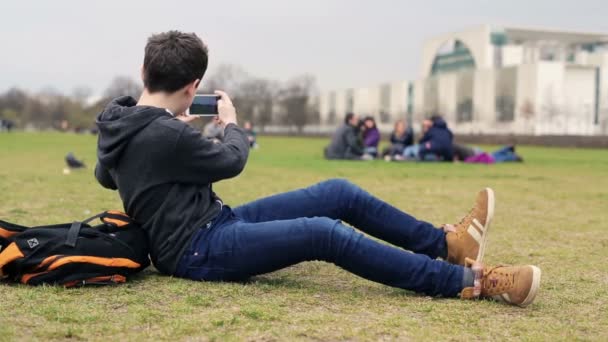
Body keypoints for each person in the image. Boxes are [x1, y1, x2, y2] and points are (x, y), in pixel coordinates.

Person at [94, 30, 541, 307]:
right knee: (323, 233)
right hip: (195, 249)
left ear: (144, 71)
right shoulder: (166, 134)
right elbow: (232, 159)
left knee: (338, 191)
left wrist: (173, 123)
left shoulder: (122, 123)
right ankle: (465, 281)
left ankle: (446, 244)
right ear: (193, 88)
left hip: (211, 222)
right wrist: (230, 124)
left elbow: (106, 175)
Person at [453, 144, 523, 164]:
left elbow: (471, 160)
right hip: (478, 151)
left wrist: (460, 163)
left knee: (501, 158)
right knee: (495, 154)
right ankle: (507, 148)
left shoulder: (467, 160)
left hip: (484, 157)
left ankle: (515, 157)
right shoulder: (457, 147)